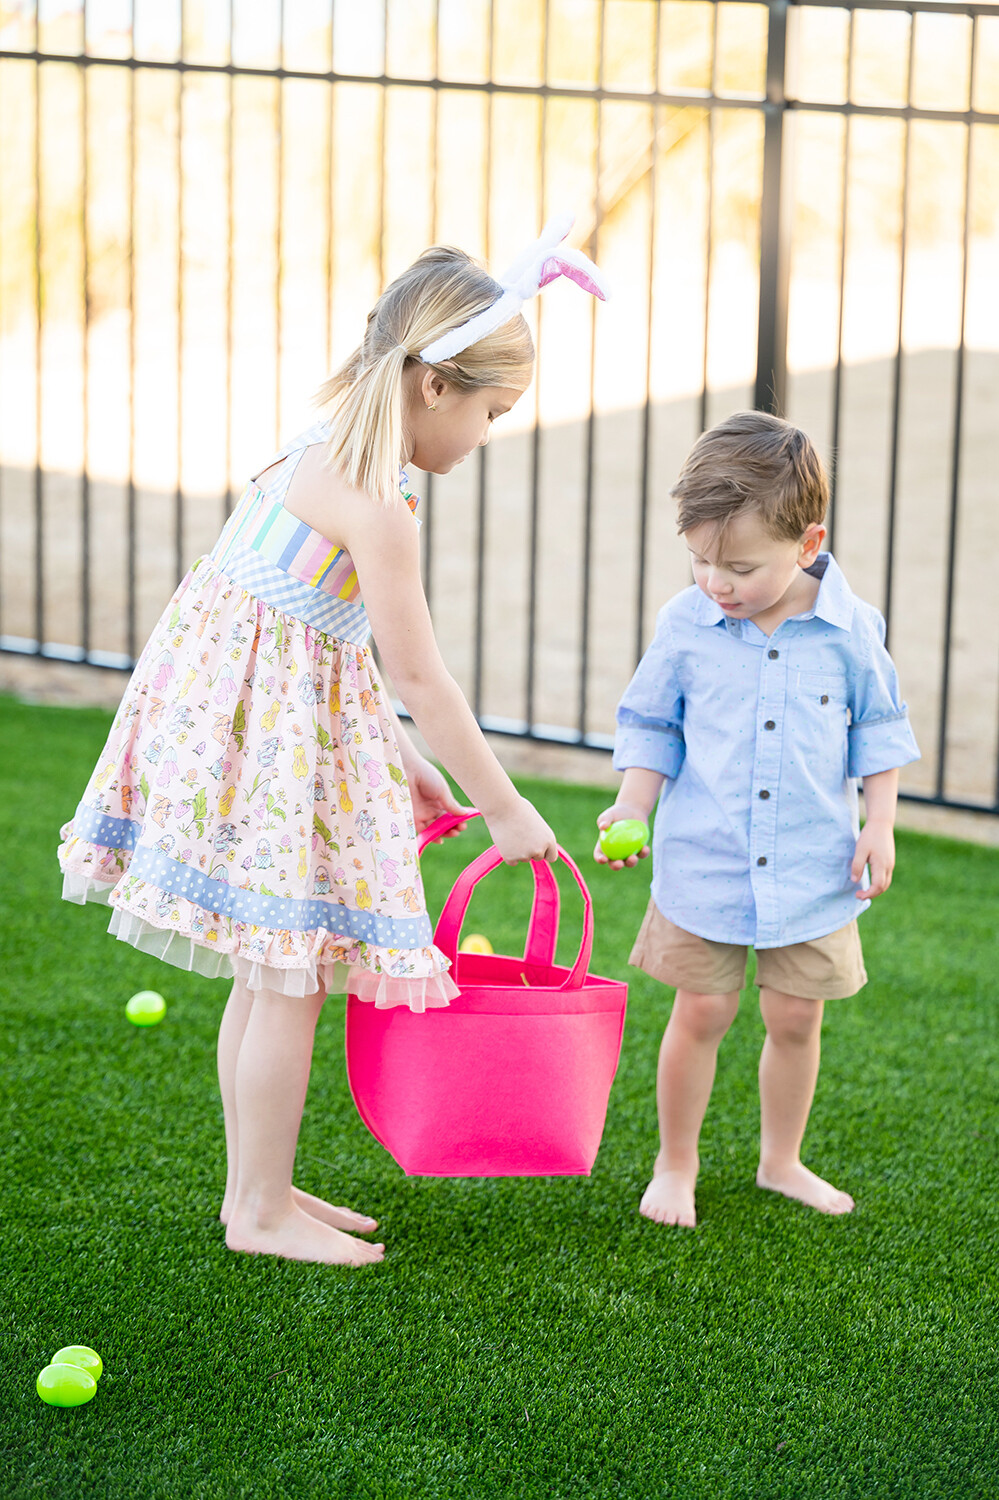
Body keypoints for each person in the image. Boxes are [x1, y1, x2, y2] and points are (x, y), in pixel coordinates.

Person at [59, 215, 608, 1266]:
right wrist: (503, 801)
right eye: (494, 411)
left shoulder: (318, 458)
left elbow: (324, 628)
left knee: (276, 971)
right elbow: (418, 673)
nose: (489, 434)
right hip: (262, 749)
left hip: (244, 735)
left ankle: (256, 1190)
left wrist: (405, 761)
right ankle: (258, 1213)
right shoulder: (378, 505)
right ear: (435, 387)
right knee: (291, 975)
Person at [595, 410, 919, 1229]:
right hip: (704, 862)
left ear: (807, 544)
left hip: (812, 868)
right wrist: (632, 803)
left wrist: (877, 823)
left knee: (794, 1018)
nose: (716, 583)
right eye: (701, 560)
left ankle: (780, 1162)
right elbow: (651, 724)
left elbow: (877, 732)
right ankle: (676, 1164)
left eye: (738, 565)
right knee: (700, 1012)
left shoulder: (851, 631)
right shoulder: (686, 623)